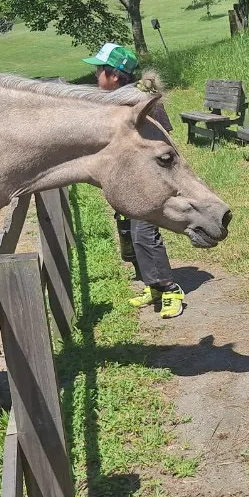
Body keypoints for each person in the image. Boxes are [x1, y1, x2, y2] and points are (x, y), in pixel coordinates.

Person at [83, 43, 186, 318]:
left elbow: (164, 144)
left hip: (149, 184)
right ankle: (153, 285)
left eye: (99, 71)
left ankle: (170, 288)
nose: (96, 77)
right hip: (131, 183)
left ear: (114, 75)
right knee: (132, 232)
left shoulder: (138, 105)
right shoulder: (122, 102)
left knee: (145, 234)